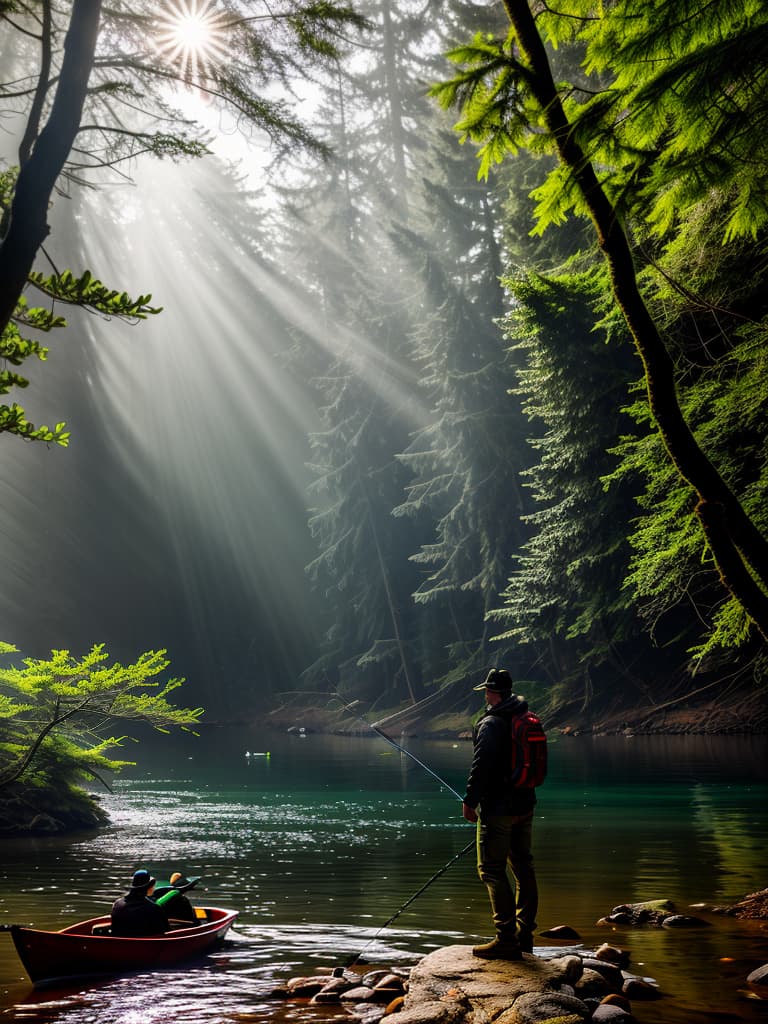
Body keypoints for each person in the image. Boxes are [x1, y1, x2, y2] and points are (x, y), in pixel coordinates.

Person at [462, 668, 539, 960]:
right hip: (525, 805)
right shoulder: (523, 717)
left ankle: (506, 938)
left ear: (493, 693)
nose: (485, 695)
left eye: (486, 691)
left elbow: (480, 766)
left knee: (491, 870)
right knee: (523, 867)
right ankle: (525, 936)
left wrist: (470, 800)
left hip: (498, 810)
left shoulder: (492, 723)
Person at [110, 869, 170, 937]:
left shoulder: (117, 905)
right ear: (147, 888)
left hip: (119, 946)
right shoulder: (155, 909)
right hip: (146, 946)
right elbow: (167, 931)